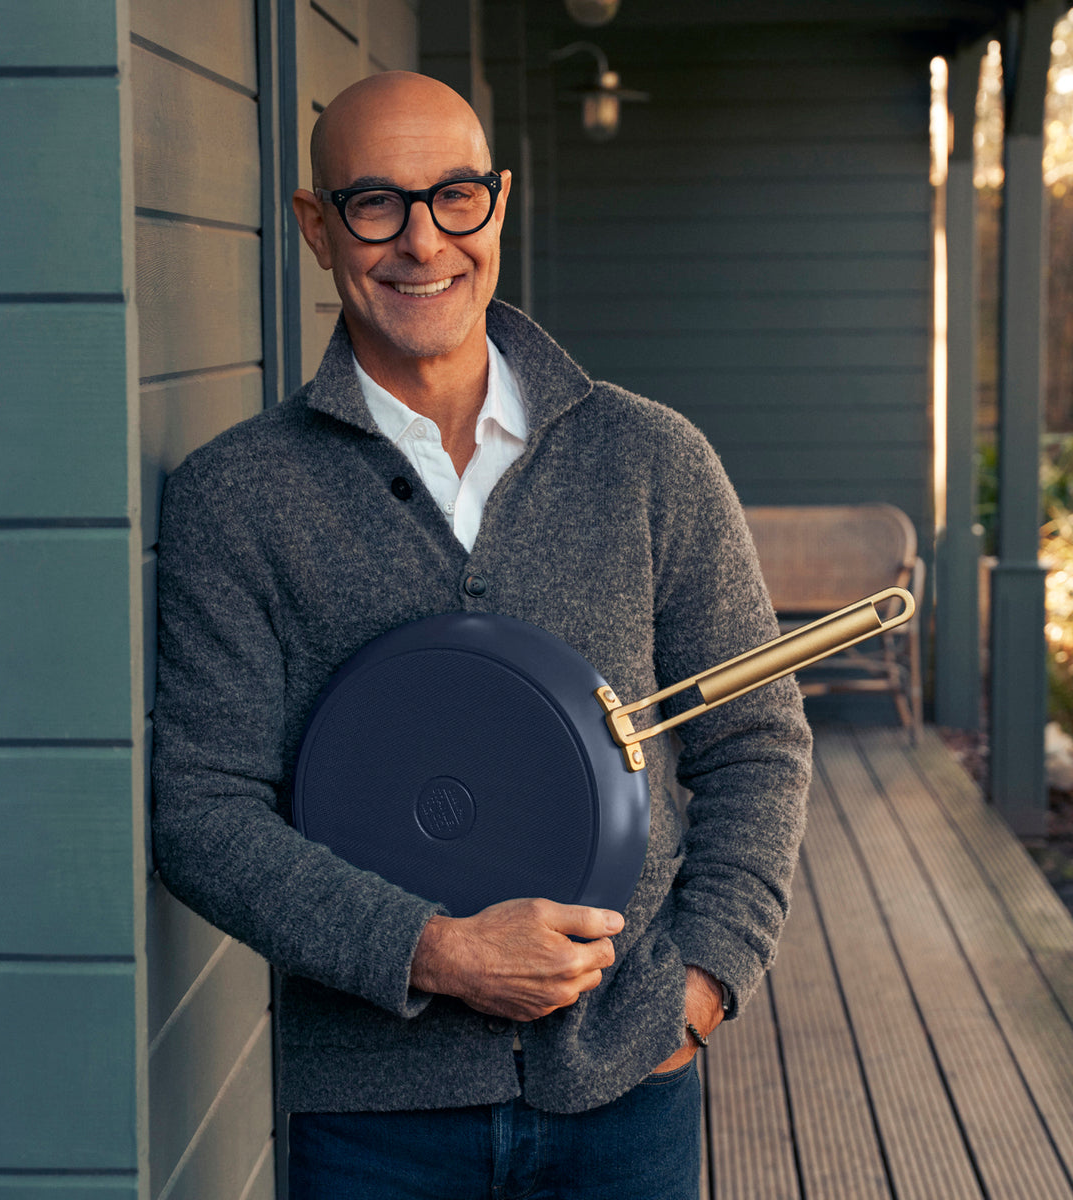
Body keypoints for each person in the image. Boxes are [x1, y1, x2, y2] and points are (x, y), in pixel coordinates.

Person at [152, 70, 811, 1198]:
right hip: (370, 1126)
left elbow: (758, 740)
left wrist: (702, 988)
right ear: (315, 226)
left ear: (497, 205)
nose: (423, 242)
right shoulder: (239, 497)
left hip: (627, 1097)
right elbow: (204, 815)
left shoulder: (650, 460)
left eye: (454, 196)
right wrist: (437, 952)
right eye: (374, 203)